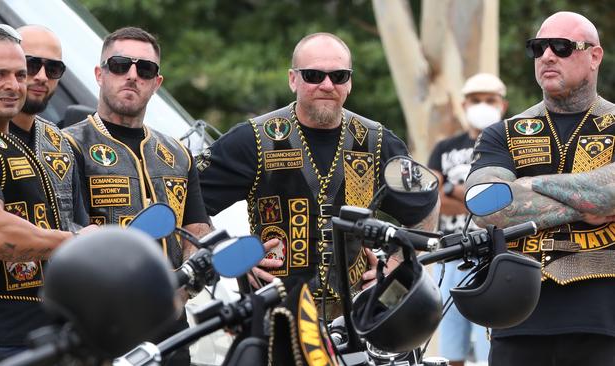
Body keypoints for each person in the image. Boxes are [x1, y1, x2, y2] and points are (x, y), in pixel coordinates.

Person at [198, 32, 439, 318]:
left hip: (354, 319)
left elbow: (426, 203)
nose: (327, 85)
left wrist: (397, 267)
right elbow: (189, 201)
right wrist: (231, 254)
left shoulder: (376, 141)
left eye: (338, 76)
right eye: (313, 75)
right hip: (275, 313)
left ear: (349, 82)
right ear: (293, 79)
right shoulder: (253, 139)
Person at [467, 11, 615, 366]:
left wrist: (523, 186)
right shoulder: (501, 133)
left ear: (594, 56)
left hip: (604, 320)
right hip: (516, 320)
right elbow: (485, 208)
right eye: (539, 47)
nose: (547, 55)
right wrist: (591, 201)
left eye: (562, 47)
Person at [63, 27, 211, 365]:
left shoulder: (178, 152)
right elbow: (64, 232)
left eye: (145, 69)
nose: (132, 75)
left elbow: (197, 228)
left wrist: (183, 290)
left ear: (157, 83)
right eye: (119, 65)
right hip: (100, 325)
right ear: (100, 74)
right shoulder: (66, 145)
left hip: (171, 326)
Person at [0, 23, 94, 364]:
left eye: (19, 75)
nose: (13, 85)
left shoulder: (13, 143)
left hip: (38, 334)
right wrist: (75, 242)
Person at [428, 73, 508, 366]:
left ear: (503, 104)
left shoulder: (510, 147)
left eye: (490, 100)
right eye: (475, 100)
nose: (482, 105)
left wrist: (451, 188)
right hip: (450, 252)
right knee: (450, 342)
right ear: (463, 104)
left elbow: (507, 204)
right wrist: (473, 197)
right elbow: (434, 201)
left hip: (494, 254)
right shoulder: (444, 149)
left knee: (490, 340)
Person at [10, 25, 87, 231]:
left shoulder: (58, 141)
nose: (42, 76)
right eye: (31, 64)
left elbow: (77, 223)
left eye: (53, 69)